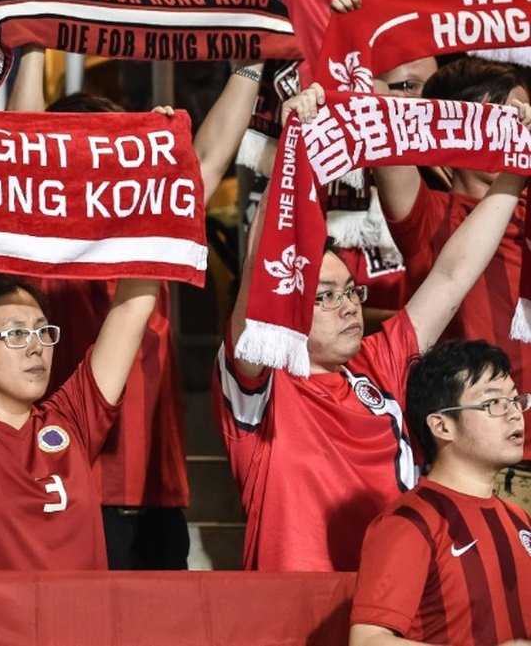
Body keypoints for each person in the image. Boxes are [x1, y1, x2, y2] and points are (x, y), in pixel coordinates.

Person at [213, 88, 531, 571]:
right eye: (324, 296)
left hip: (390, 603)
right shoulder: (262, 384)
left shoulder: (377, 361)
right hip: (290, 614)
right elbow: (262, 275)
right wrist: (290, 152)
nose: (347, 307)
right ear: (288, 301)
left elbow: (453, 274)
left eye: (350, 292)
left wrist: (515, 162)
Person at [5, 46, 263, 569]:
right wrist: (30, 39)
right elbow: (21, 144)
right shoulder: (36, 240)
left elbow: (211, 156)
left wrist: (253, 55)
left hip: (158, 491)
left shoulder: (152, 228)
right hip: (68, 489)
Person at [0, 257, 159, 570]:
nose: (36, 348)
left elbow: (131, 310)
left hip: (78, 619)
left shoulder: (72, 420)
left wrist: (174, 218)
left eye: (42, 331)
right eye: (16, 335)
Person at [373, 58, 531, 459]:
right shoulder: (429, 215)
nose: (520, 130)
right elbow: (373, 110)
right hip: (476, 455)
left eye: (525, 118)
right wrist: (360, 21)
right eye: (507, 118)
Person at [350, 340, 531, 645]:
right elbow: (368, 640)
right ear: (442, 426)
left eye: (516, 400)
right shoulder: (410, 523)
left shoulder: (518, 519)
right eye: (494, 403)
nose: (514, 414)